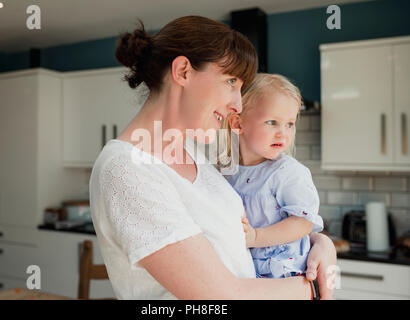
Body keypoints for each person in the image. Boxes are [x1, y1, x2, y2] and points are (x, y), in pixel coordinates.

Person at [89, 15, 336, 300]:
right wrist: (315, 287)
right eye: (231, 81)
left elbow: (234, 241)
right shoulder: (127, 169)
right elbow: (220, 298)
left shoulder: (194, 155)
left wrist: (321, 243)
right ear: (183, 71)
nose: (238, 104)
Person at [220, 73, 324, 280]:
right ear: (238, 124)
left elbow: (303, 222)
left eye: (289, 124)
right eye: (272, 122)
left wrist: (256, 237)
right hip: (248, 274)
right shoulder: (227, 173)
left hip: (285, 274)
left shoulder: (288, 172)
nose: (283, 133)